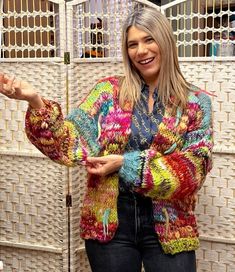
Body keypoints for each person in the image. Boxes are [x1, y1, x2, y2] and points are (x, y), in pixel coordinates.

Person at [0, 7, 213, 272]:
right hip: (110, 222)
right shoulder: (108, 92)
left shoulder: (195, 103)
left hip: (171, 222)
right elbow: (68, 143)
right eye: (132, 44)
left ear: (165, 42)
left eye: (149, 40)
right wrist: (35, 101)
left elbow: (193, 170)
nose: (141, 51)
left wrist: (124, 164)